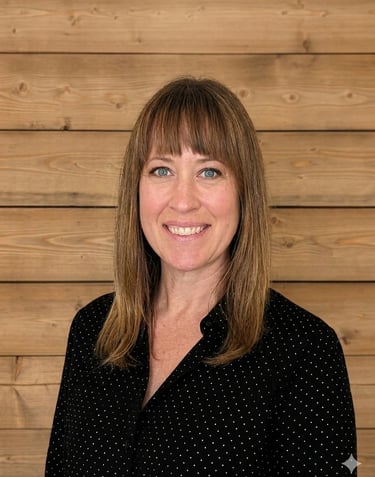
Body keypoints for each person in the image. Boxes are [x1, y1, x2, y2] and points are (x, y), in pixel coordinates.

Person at [45, 77, 357, 476]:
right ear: (136, 189)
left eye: (209, 172)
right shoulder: (92, 330)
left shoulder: (305, 351)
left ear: (245, 192)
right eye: (161, 170)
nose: (183, 200)